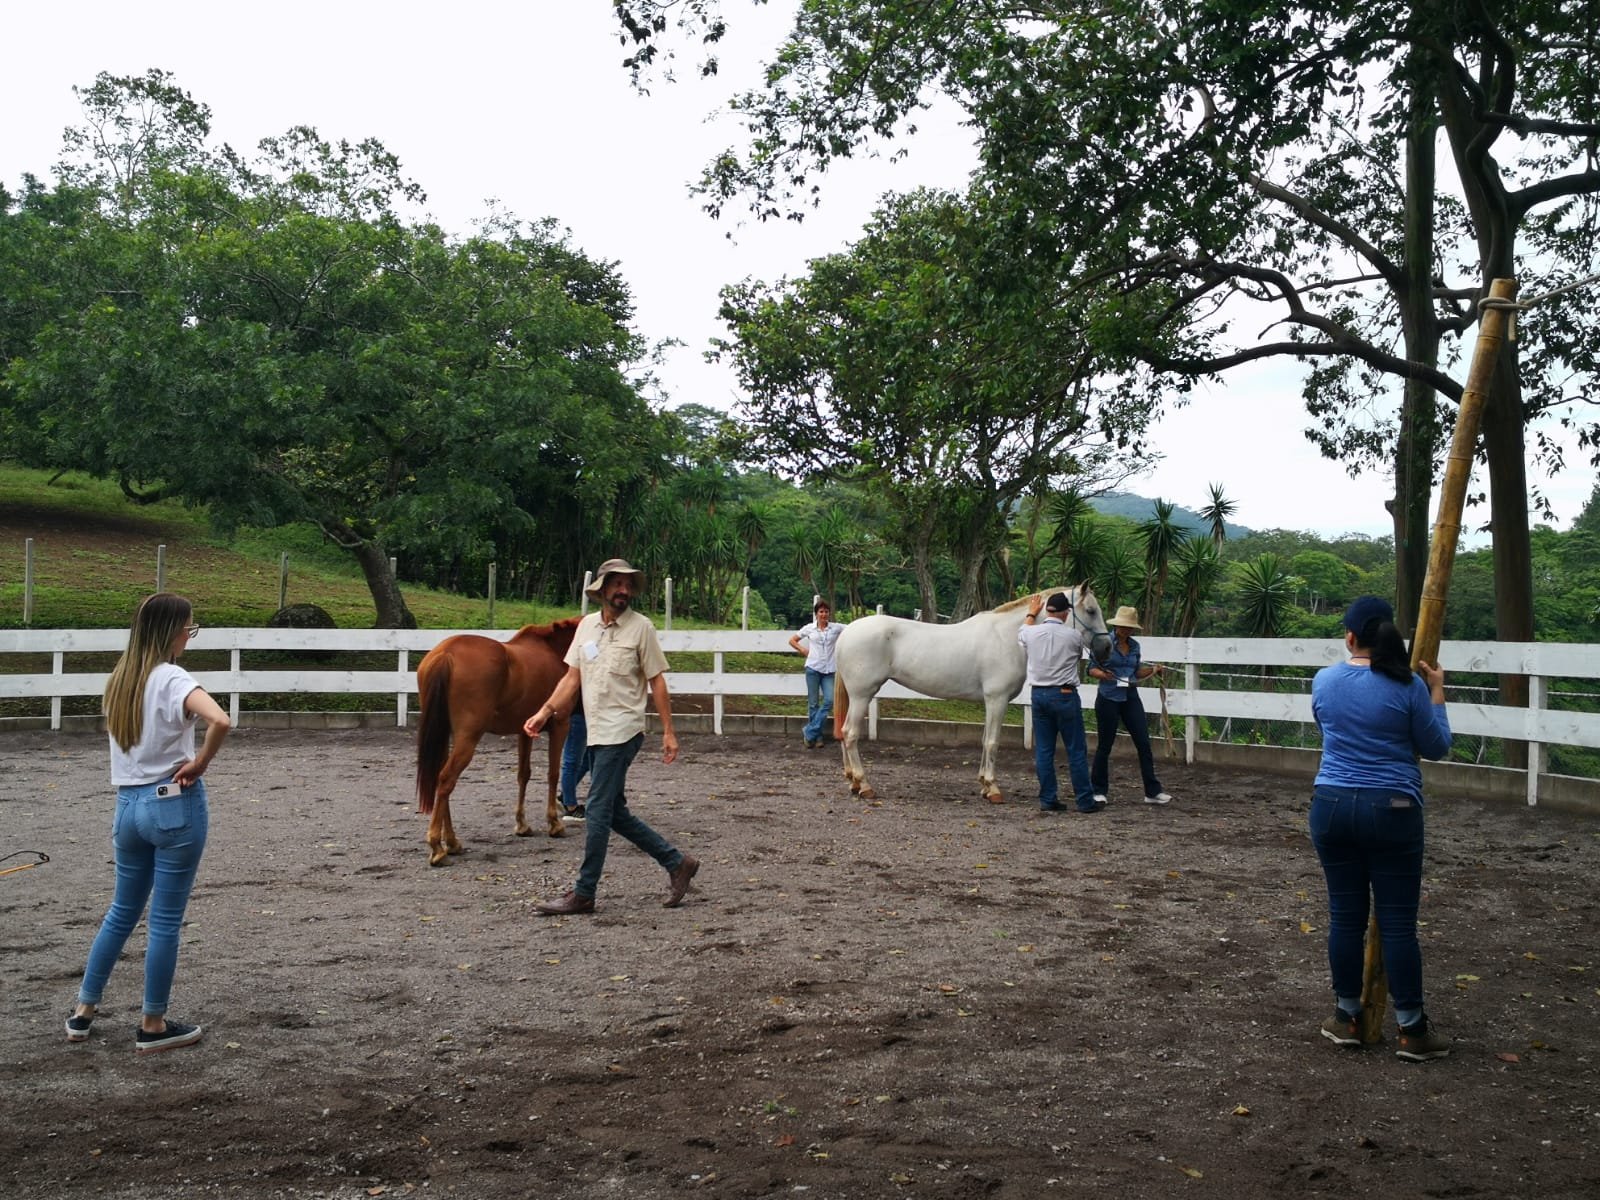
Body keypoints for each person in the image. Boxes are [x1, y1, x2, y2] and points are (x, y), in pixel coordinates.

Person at [67, 593, 231, 1053]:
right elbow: (221, 719)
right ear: (172, 630)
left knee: (120, 912)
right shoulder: (171, 677)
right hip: (173, 803)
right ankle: (153, 1023)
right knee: (164, 921)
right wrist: (200, 762)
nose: (189, 637)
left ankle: (84, 1011)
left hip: (127, 807)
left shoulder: (121, 679)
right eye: (189, 628)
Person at [1310, 595, 1452, 1061]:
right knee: (1397, 925)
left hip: (1331, 805)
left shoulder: (1325, 680)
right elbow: (1436, 747)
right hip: (1393, 808)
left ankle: (1347, 1015)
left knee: (1345, 919)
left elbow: (1326, 728)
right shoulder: (1408, 684)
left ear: (1349, 637)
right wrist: (1437, 693)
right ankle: (1412, 1029)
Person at [522, 559, 698, 914]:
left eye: (627, 585)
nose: (623, 590)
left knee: (598, 810)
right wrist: (543, 712)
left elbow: (657, 680)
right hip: (596, 731)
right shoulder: (586, 627)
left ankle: (584, 892)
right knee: (615, 812)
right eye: (616, 584)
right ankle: (678, 863)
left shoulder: (641, 628)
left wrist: (669, 731)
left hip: (623, 729)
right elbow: (572, 678)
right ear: (601, 590)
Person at [1018, 591, 1100, 813]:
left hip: (1039, 695)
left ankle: (1048, 798)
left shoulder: (1031, 633)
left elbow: (1023, 631)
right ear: (1065, 613)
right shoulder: (1073, 636)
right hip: (1064, 694)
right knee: (1075, 749)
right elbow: (1080, 654)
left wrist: (1031, 613)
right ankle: (1084, 800)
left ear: (1047, 611)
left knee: (1044, 750)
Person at [1086, 605, 1173, 806]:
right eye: (1123, 626)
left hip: (1130, 696)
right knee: (1105, 746)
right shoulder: (1104, 643)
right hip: (1108, 697)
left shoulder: (1135, 646)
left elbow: (1135, 672)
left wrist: (1152, 670)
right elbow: (1091, 669)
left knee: (1143, 742)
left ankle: (1152, 791)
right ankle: (1098, 790)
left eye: (1129, 627)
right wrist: (1104, 675)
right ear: (1116, 626)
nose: (1126, 630)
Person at [787, 599, 844, 749]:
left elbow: (852, 629)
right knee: (813, 704)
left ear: (829, 613)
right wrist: (803, 650)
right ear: (816, 614)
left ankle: (809, 731)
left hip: (829, 670)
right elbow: (792, 640)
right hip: (813, 668)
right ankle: (816, 738)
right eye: (821, 611)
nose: (824, 614)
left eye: (826, 611)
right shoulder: (809, 628)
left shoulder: (836, 628)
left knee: (829, 700)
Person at [558, 703, 591, 818]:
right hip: (578, 714)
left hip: (585, 715)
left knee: (587, 759)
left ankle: (566, 796)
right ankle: (570, 806)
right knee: (572, 761)